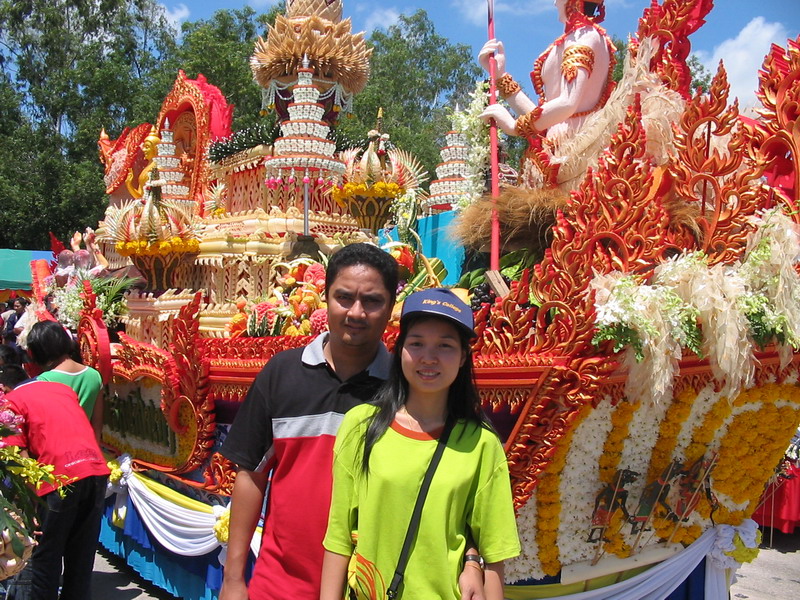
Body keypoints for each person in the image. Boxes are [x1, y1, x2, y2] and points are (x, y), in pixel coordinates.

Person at [219, 244, 486, 600]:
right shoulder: (282, 373)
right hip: (280, 583)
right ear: (325, 298)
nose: (356, 312)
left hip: (369, 587)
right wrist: (233, 577)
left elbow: (454, 486)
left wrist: (472, 558)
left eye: (372, 301)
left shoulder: (409, 389)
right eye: (344, 297)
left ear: (391, 308)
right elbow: (251, 474)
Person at [320, 288, 520, 600]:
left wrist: (472, 562)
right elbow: (339, 536)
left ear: (463, 357)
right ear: (400, 349)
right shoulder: (361, 426)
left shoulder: (481, 443)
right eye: (416, 343)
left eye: (445, 345)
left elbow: (495, 554)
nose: (429, 357)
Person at [0, 365, 110, 600]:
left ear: (5, 388)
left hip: (59, 479)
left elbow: (20, 458)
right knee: (81, 557)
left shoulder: (11, 401)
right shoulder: (60, 389)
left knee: (46, 559)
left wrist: (33, 506)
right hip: (95, 469)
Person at [479, 0, 614, 188]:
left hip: (575, 158)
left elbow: (568, 104)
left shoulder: (585, 36)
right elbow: (549, 117)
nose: (554, 2)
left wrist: (515, 127)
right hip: (555, 154)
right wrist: (501, 76)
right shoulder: (576, 37)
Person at [27, 321, 104, 441]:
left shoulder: (43, 381)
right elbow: (97, 425)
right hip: (87, 445)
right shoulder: (94, 376)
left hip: (56, 447)